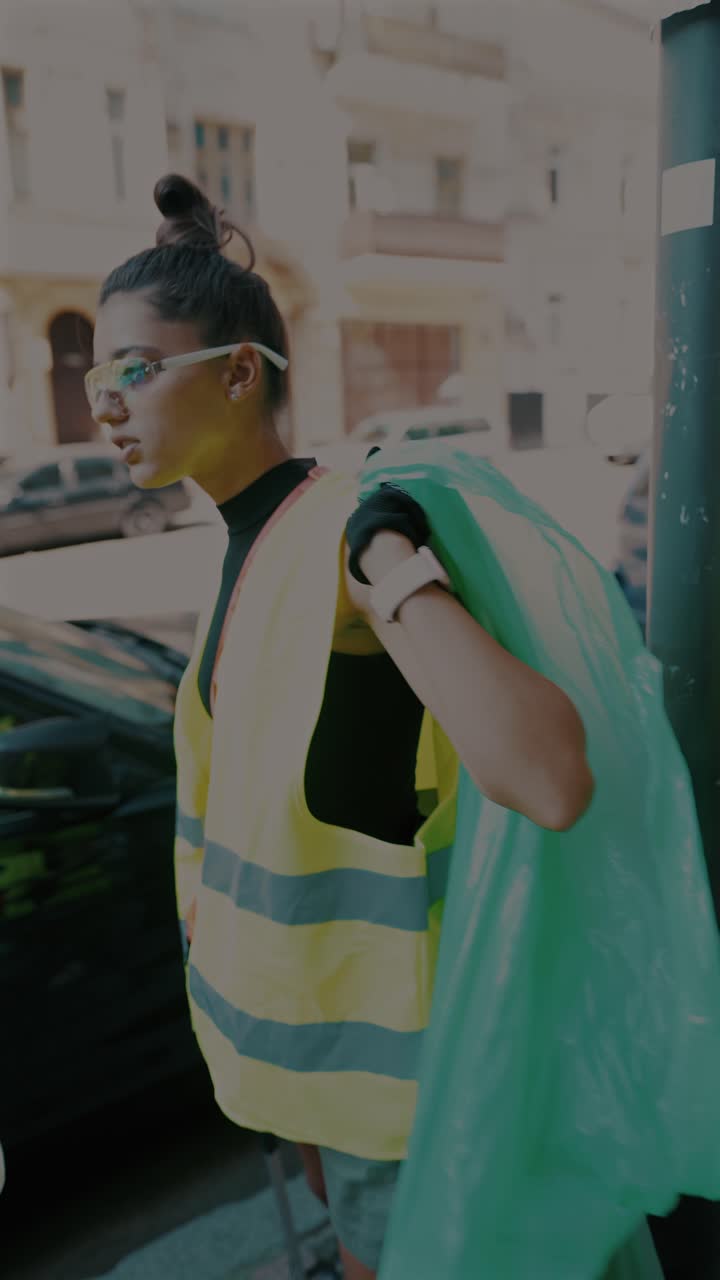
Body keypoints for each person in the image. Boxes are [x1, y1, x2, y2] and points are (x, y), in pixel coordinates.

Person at [86, 175, 698, 1279]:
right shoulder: (250, 555)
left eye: (132, 369)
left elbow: (552, 777)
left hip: (415, 1108)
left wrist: (393, 560)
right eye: (97, 376)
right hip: (322, 1092)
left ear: (237, 372)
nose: (106, 404)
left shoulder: (355, 531)